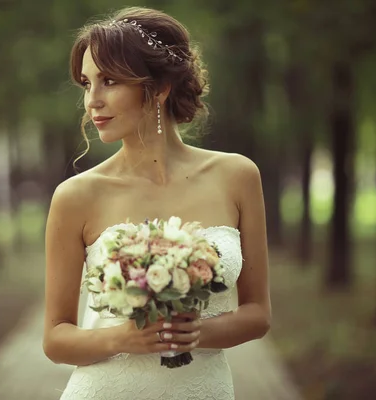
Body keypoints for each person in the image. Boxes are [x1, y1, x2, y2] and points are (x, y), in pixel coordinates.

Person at [43, 6, 271, 400]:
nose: (92, 101)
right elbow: (55, 338)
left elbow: (258, 315)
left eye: (109, 80)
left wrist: (198, 331)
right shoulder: (75, 196)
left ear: (160, 87)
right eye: (86, 83)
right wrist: (123, 338)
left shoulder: (238, 177)